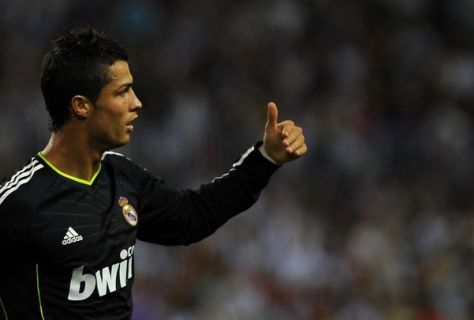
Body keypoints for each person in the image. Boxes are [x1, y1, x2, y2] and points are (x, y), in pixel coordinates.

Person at [0, 27, 307, 319]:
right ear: (81, 106)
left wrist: (266, 159)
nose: (137, 103)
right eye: (123, 92)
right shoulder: (20, 203)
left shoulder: (123, 178)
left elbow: (193, 217)